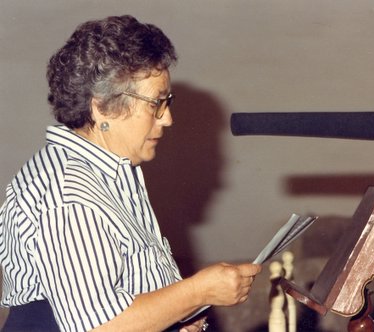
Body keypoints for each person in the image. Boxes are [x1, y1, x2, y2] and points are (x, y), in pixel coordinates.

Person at [0, 15, 262, 332]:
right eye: (156, 103)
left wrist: (171, 320)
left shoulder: (107, 171)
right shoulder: (70, 195)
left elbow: (123, 292)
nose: (167, 119)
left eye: (168, 101)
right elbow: (99, 327)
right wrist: (196, 292)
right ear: (102, 108)